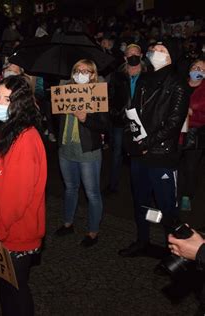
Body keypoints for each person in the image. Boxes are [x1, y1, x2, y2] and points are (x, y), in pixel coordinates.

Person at [0, 75, 46, 316]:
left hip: (15, 232)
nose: (0, 103)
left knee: (16, 290)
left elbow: (17, 199)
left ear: (21, 104)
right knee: (5, 288)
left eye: (8, 99)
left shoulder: (26, 139)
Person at [119, 42, 189, 259]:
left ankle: (175, 253)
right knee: (141, 202)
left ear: (171, 57)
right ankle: (142, 240)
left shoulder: (177, 84)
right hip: (141, 155)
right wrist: (131, 139)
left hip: (161, 156)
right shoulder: (144, 80)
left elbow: (173, 123)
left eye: (162, 51)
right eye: (153, 50)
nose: (155, 54)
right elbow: (135, 113)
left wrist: (146, 144)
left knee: (168, 208)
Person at [54, 59, 109, 247]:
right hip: (66, 149)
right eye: (77, 70)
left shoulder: (98, 93)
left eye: (86, 71)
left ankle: (93, 231)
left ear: (93, 74)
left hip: (88, 152)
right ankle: (68, 223)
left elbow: (104, 124)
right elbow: (56, 118)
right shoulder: (65, 90)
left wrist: (85, 118)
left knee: (92, 193)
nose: (81, 73)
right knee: (70, 188)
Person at [106, 44, 144, 194]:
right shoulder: (117, 76)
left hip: (141, 122)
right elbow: (110, 97)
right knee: (117, 154)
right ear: (125, 57)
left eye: (136, 53)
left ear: (141, 56)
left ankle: (139, 188)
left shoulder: (149, 75)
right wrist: (116, 113)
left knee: (139, 154)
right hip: (121, 121)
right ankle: (113, 185)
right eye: (130, 54)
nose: (133, 56)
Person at [178, 58, 205, 212]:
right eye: (195, 67)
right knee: (175, 165)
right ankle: (174, 192)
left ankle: (187, 196)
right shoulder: (180, 85)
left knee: (191, 168)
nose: (197, 71)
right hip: (176, 133)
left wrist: (193, 113)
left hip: (195, 135)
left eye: (201, 69)